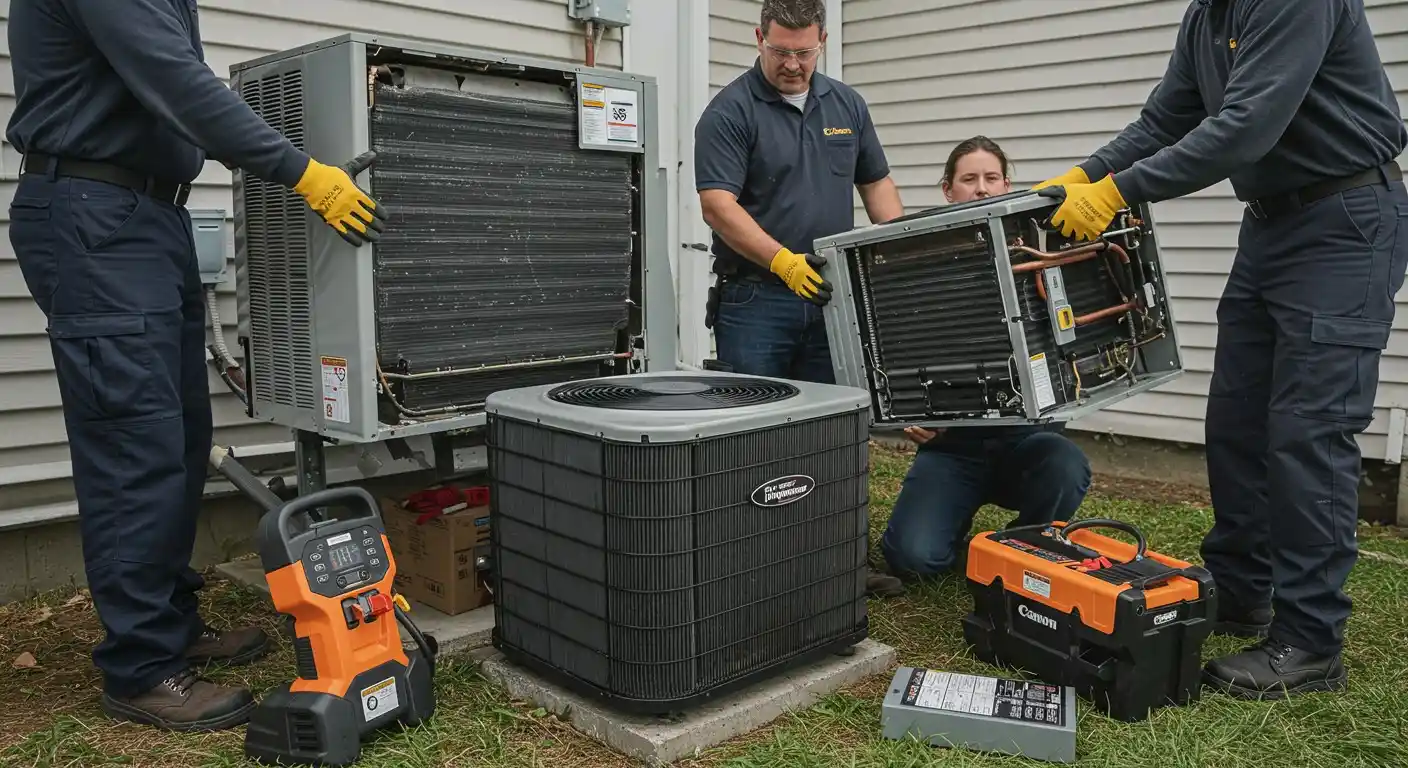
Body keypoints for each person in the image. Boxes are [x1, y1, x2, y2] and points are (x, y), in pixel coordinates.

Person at [7, 0, 387, 732]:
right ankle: (141, 667)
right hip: (95, 217)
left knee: (177, 438)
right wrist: (302, 172)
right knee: (133, 444)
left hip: (146, 217)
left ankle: (171, 627)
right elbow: (177, 84)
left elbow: (172, 91)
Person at [1033, 0, 1408, 699]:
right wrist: (1085, 175)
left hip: (1344, 221)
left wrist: (1117, 192)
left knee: (1309, 429)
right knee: (1235, 421)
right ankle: (1243, 592)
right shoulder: (1206, 17)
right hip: (1269, 227)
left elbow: (1246, 129)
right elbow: (1161, 122)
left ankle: (1311, 641)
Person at [694, 0, 906, 597]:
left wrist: (895, 261)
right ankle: (746, 569)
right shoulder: (730, 111)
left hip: (830, 298)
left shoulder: (847, 105)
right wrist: (781, 260)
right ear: (758, 37)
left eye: (804, 51)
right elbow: (717, 204)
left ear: (823, 41)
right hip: (756, 300)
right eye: (780, 50)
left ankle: (837, 563)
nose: (791, 63)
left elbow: (877, 186)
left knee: (835, 430)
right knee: (752, 432)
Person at [878, 138, 1092, 583]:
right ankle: (950, 528)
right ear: (948, 190)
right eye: (969, 179)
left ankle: (1021, 546)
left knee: (1065, 464)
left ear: (1006, 185)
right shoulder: (919, 265)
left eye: (991, 178)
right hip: (953, 445)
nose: (981, 188)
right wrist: (909, 410)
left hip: (1027, 440)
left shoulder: (1040, 252)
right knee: (914, 561)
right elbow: (894, 347)